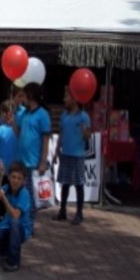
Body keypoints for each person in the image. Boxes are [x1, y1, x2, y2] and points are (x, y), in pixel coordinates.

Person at [0, 161, 33, 272]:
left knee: (14, 222)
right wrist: (1, 176)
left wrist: (4, 198)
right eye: (13, 177)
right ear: (9, 177)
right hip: (6, 227)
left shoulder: (24, 193)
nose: (15, 180)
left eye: (19, 178)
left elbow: (15, 215)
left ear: (23, 181)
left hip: (20, 229)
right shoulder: (7, 187)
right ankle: (10, 249)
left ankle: (14, 261)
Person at [54, 88, 91, 225]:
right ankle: (62, 211)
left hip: (77, 155)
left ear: (74, 99)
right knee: (65, 183)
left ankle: (79, 213)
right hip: (65, 154)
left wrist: (84, 131)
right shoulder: (64, 116)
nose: (64, 99)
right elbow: (61, 133)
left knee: (78, 184)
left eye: (66, 97)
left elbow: (88, 136)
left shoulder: (84, 116)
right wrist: (57, 149)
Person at [14, 83, 50, 215]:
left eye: (24, 96)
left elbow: (46, 140)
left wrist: (43, 162)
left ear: (31, 96)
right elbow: (17, 132)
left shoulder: (43, 114)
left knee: (31, 195)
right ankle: (23, 220)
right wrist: (16, 108)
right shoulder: (23, 113)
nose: (23, 99)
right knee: (20, 193)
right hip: (21, 160)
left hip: (33, 161)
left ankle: (29, 222)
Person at [0, 100, 18, 175]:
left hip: (16, 170)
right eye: (2, 112)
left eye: (6, 112)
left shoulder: (18, 129)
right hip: (1, 170)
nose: (4, 115)